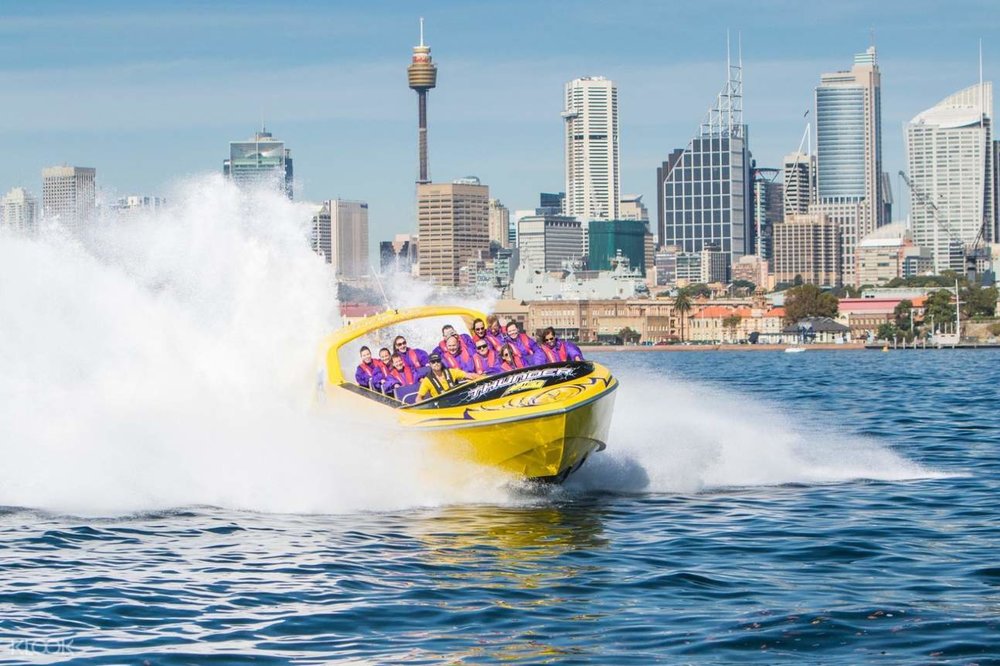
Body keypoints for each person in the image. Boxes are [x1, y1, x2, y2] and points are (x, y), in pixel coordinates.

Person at [416, 352, 482, 402]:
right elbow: (418, 398)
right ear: (430, 364)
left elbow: (469, 375)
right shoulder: (427, 381)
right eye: (433, 362)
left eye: (438, 361)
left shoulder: (451, 372)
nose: (436, 363)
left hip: (459, 400)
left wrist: (483, 377)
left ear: (441, 362)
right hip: (442, 407)